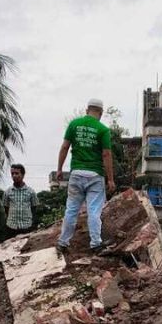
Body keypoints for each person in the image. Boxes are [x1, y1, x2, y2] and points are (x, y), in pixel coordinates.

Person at [56, 99, 114, 253]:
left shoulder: (74, 124)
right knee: (94, 210)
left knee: (71, 209)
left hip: (76, 173)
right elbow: (106, 154)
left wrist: (59, 169)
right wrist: (111, 179)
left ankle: (63, 243)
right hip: (95, 175)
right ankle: (96, 244)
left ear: (87, 109)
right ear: (100, 113)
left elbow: (64, 147)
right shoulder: (103, 129)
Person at [2, 163, 38, 237]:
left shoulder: (31, 192)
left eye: (17, 173)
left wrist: (33, 225)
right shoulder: (7, 192)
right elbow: (6, 208)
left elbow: (34, 208)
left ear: (23, 175)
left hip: (27, 227)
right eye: (12, 174)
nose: (14, 175)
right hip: (11, 228)